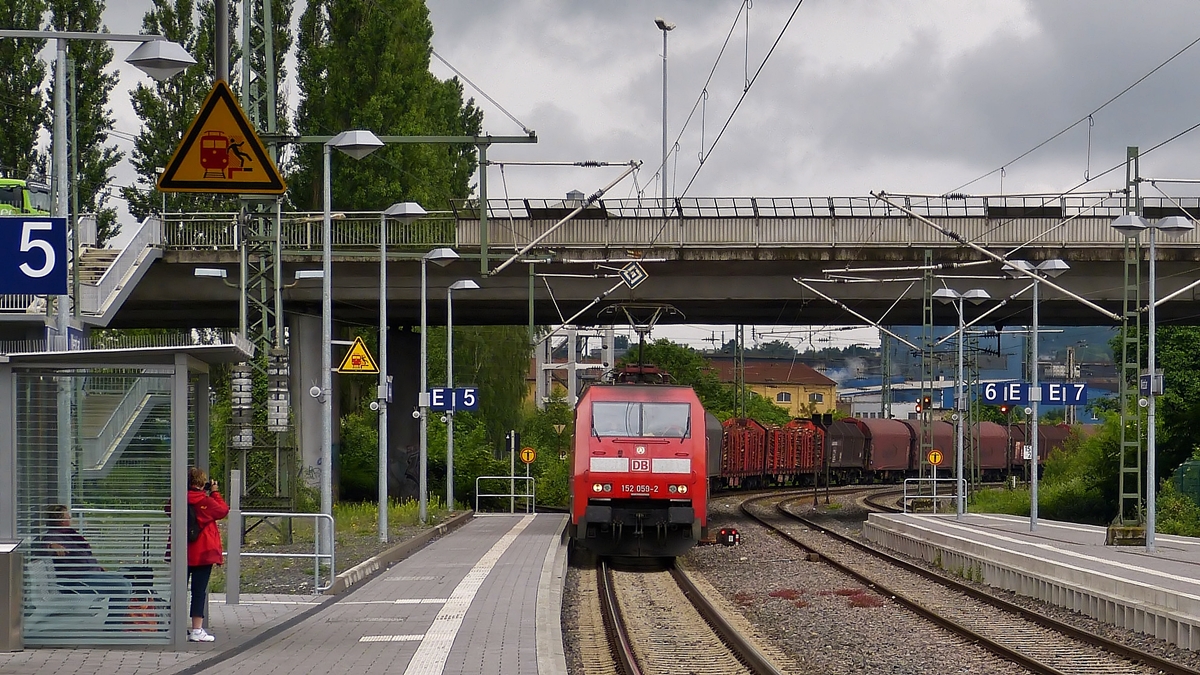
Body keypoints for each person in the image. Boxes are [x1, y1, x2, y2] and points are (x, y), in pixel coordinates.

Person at [38, 504, 133, 602]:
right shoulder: (53, 536)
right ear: (60, 520)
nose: (70, 518)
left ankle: (117, 616)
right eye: (68, 516)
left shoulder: (68, 534)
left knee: (126, 583)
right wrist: (51, 546)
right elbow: (44, 547)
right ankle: (114, 616)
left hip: (89, 575)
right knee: (122, 587)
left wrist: (98, 567)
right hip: (76, 582)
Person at [186, 467, 229, 643]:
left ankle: (172, 625)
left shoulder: (178, 499)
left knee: (178, 590)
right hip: (202, 552)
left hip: (182, 550)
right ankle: (196, 629)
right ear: (202, 482)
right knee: (198, 591)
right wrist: (215, 492)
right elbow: (223, 510)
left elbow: (167, 509)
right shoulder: (206, 501)